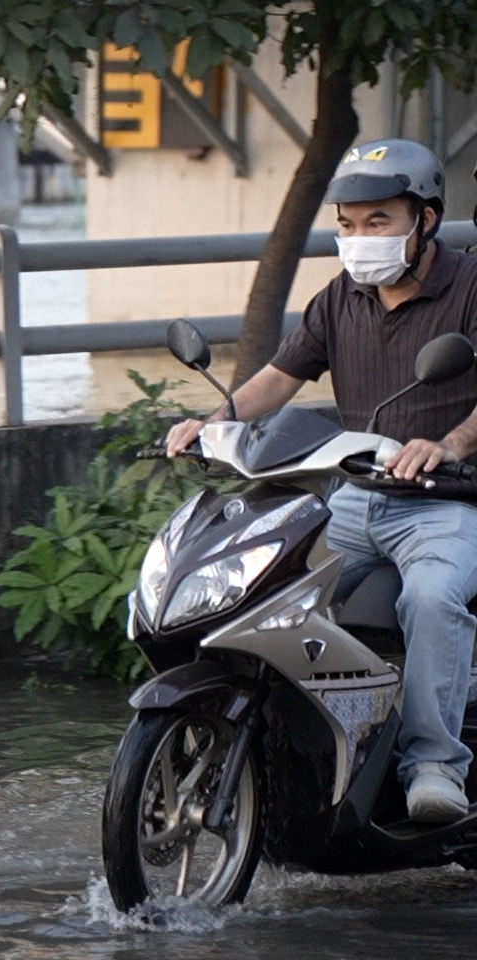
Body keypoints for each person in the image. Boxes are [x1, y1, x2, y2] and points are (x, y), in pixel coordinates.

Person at [165, 138, 477, 824]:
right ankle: (277, 747)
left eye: (378, 222)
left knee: (431, 597)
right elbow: (281, 377)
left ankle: (433, 765)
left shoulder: (471, 287)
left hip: (446, 502)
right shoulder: (339, 297)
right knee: (258, 582)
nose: (358, 239)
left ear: (425, 219)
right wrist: (211, 421)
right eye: (346, 225)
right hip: (356, 498)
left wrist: (445, 443)